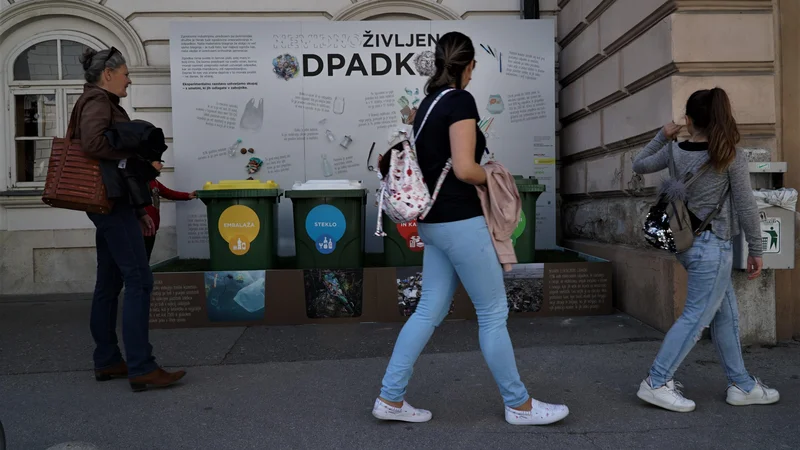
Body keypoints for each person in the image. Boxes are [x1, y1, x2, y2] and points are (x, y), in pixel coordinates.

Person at [371, 31, 569, 426]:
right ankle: (520, 405)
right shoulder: (460, 101)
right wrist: (493, 176)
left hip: (433, 223)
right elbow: (463, 168)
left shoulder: (427, 105)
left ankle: (390, 398)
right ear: (468, 65)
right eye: (475, 66)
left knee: (428, 310)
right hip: (461, 221)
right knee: (493, 313)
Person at [632, 87, 779, 412]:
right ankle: (656, 382)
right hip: (712, 248)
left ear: (688, 120)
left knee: (726, 315)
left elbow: (638, 164)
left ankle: (741, 384)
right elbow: (745, 206)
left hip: (685, 241)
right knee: (696, 318)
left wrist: (662, 134)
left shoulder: (674, 151)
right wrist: (757, 248)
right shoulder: (728, 155)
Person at [76, 47, 186, 392]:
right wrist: (134, 153)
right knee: (139, 280)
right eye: (125, 74)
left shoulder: (98, 101)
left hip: (111, 203)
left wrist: (139, 209)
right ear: (107, 74)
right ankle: (142, 366)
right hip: (111, 202)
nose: (129, 79)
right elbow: (93, 144)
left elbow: (109, 159)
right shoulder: (97, 101)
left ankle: (108, 360)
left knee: (109, 284)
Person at [144, 161, 197, 262]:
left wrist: (187, 195)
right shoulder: (139, 181)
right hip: (143, 227)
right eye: (159, 162)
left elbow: (168, 193)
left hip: (153, 226)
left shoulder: (154, 182)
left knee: (146, 257)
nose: (162, 166)